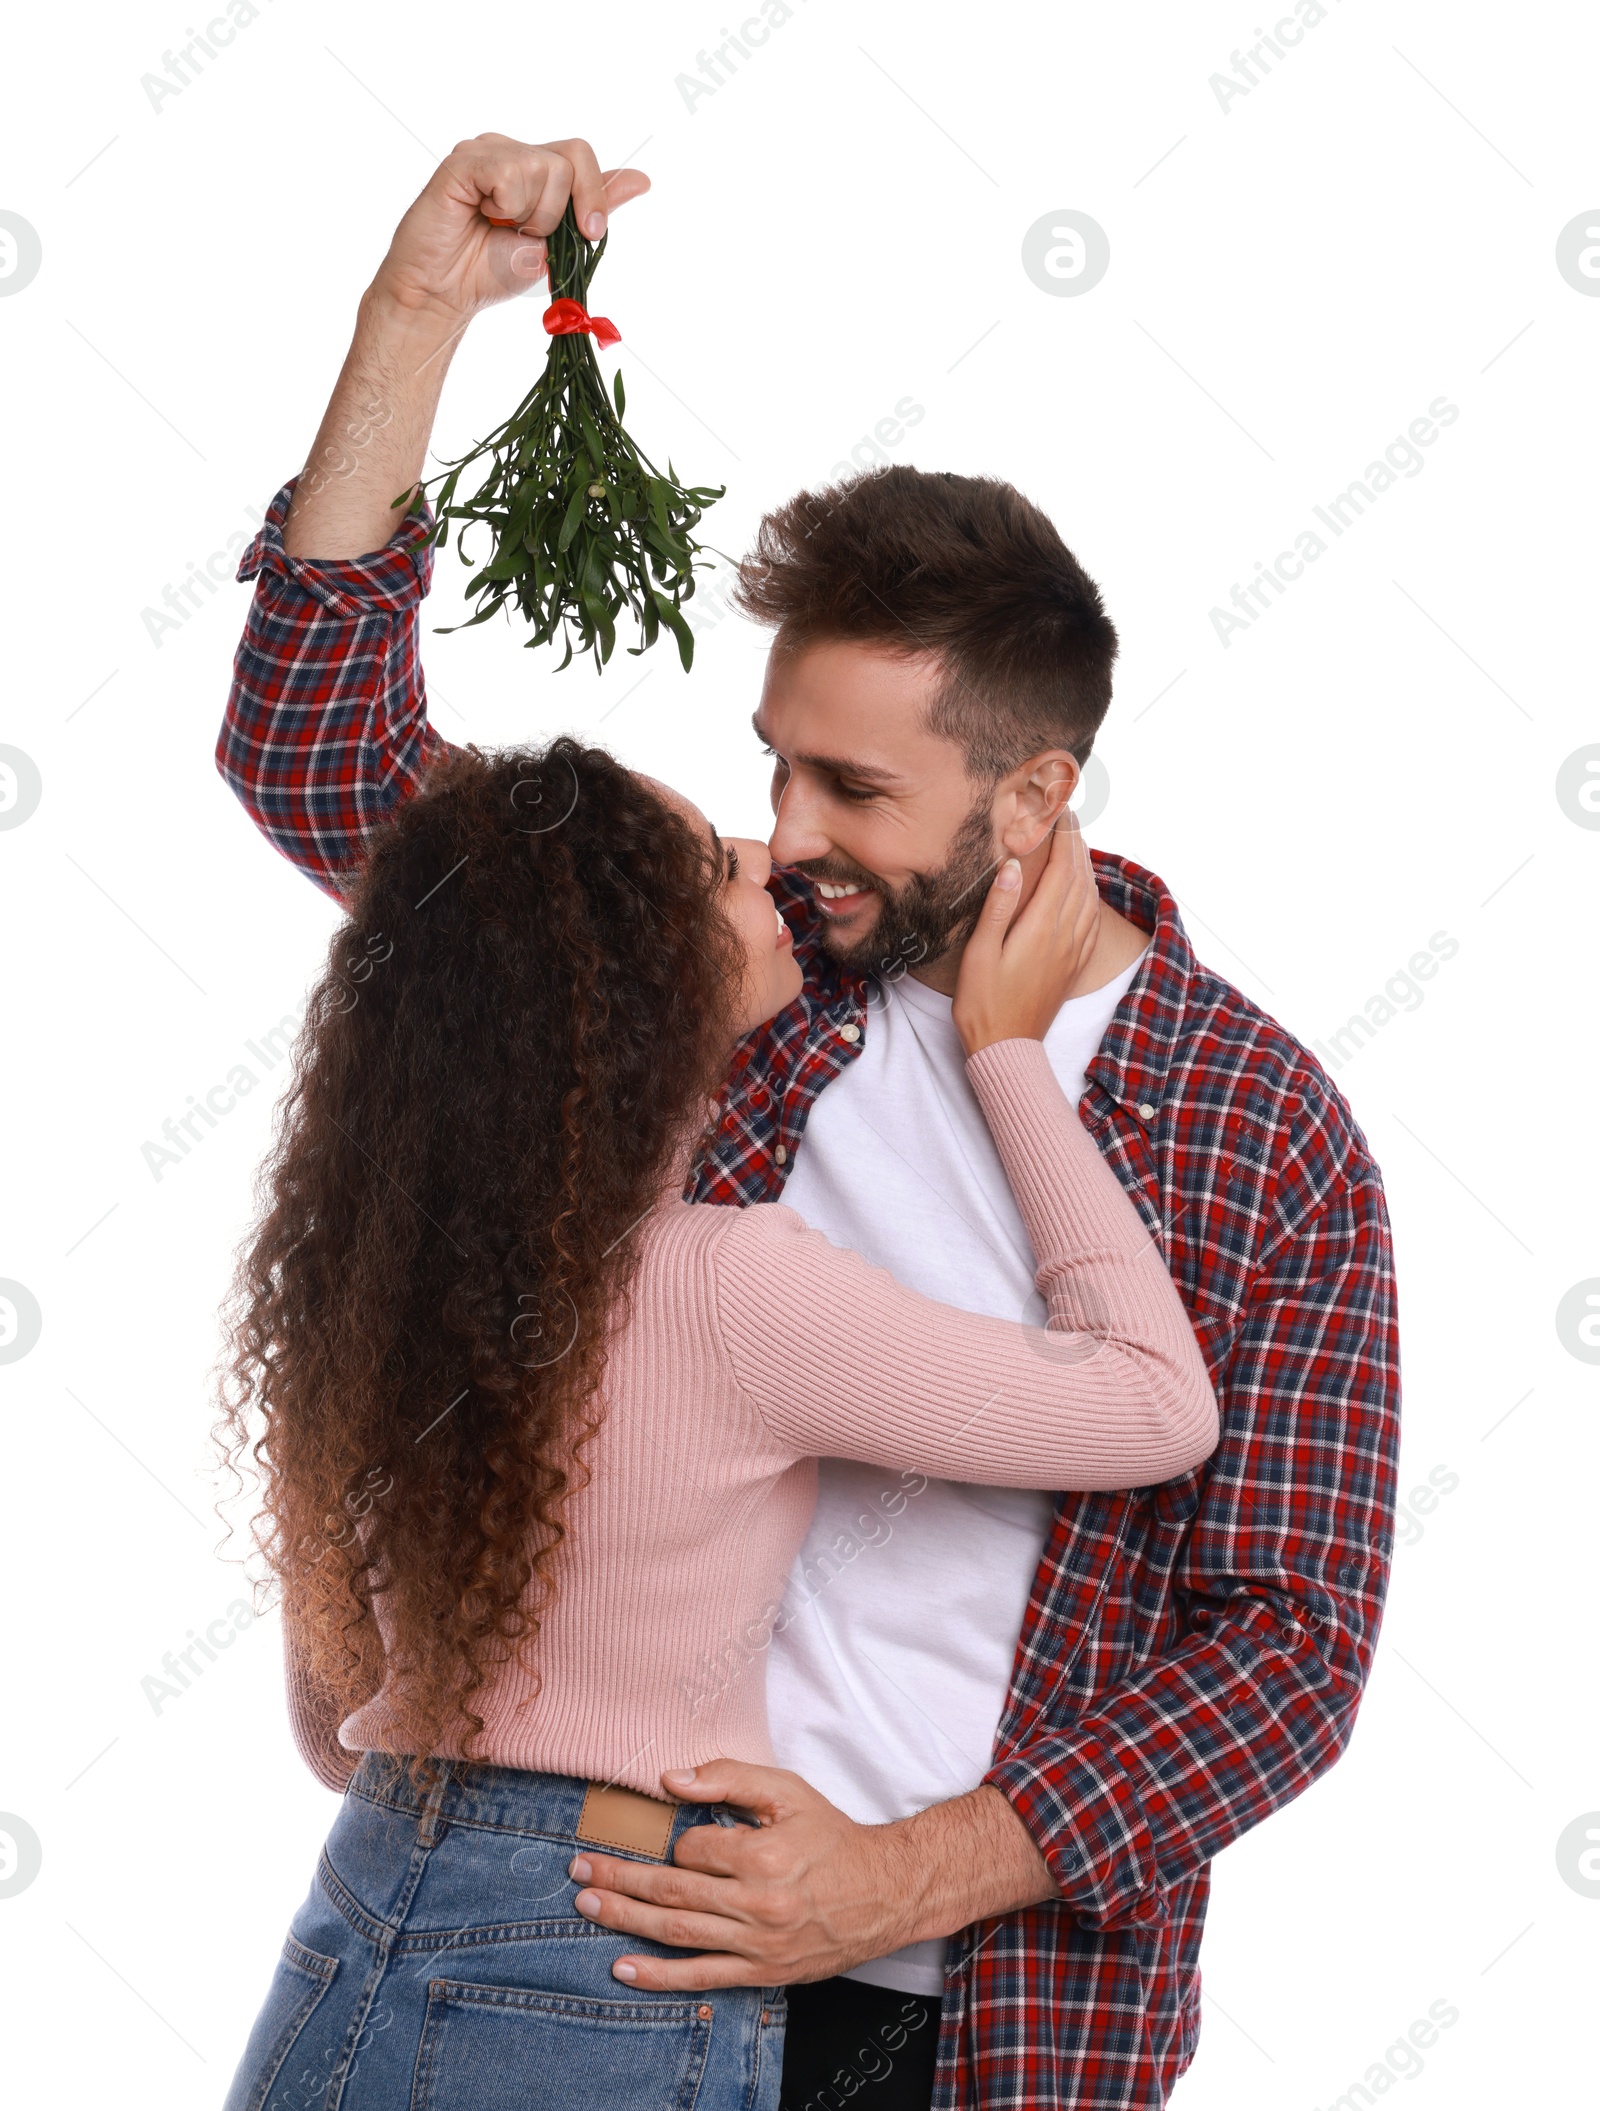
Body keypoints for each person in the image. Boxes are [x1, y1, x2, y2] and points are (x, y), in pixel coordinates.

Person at [217, 133, 1400, 2111]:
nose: (781, 840)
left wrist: (885, 1885)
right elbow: (318, 755)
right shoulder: (716, 997)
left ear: (1032, 798)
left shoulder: (1252, 1129)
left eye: (849, 790)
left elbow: (1285, 1641)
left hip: (957, 2011)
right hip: (585, 1929)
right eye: (771, 769)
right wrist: (418, 311)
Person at [216, 726, 1220, 2111]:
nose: (770, 857)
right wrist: (1009, 1057)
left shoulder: (390, 1285)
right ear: (640, 983)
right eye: (708, 867)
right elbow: (1158, 1404)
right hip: (596, 1955)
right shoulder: (729, 1285)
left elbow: (334, 1726)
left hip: (362, 1911)